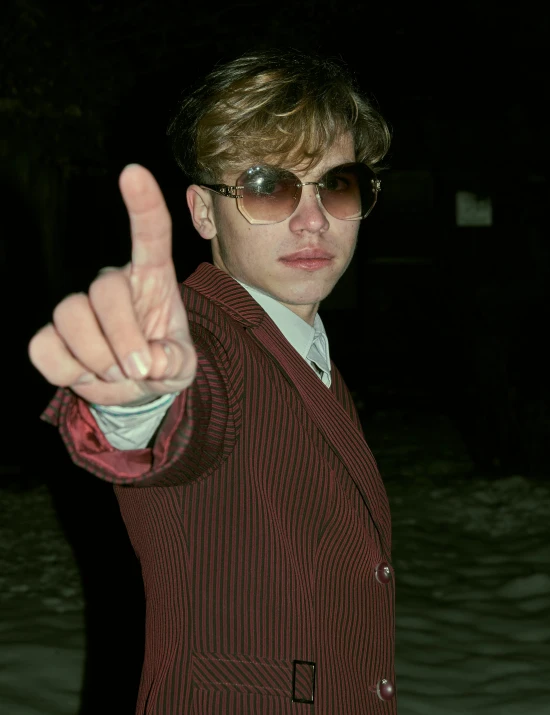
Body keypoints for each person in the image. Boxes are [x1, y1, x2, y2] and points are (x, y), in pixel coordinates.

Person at [28, 49, 396, 714]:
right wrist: (137, 399)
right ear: (203, 212)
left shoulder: (303, 342)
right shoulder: (203, 340)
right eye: (268, 186)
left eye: (335, 185)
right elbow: (177, 425)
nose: (312, 219)